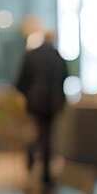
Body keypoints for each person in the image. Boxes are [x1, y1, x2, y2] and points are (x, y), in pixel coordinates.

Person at [15, 30, 68, 185]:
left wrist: (28, 96)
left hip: (35, 102)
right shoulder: (58, 57)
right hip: (53, 103)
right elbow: (64, 79)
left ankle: (32, 155)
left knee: (37, 132)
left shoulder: (31, 55)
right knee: (48, 135)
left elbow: (20, 82)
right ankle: (45, 172)